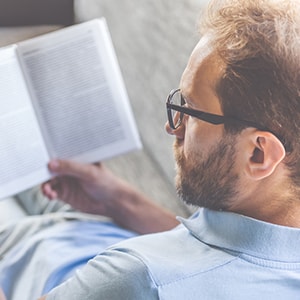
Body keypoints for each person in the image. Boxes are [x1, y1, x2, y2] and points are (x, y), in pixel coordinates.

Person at [1, 0, 300, 298]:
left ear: (259, 154)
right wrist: (117, 199)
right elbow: (209, 249)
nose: (173, 127)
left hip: (30, 255)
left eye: (192, 111)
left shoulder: (140, 279)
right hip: (99, 224)